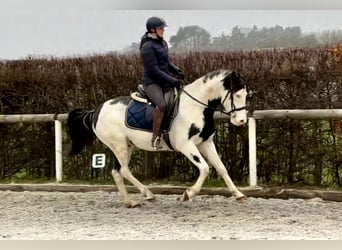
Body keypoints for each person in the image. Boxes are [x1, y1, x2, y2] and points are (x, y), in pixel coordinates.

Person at [139, 16, 184, 150]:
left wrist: (176, 70)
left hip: (163, 80)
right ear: (152, 30)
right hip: (152, 83)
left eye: (163, 28)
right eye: (160, 28)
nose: (163, 30)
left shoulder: (162, 43)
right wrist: (172, 80)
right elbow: (154, 70)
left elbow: (165, 62)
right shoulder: (147, 47)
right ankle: (156, 137)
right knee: (162, 105)